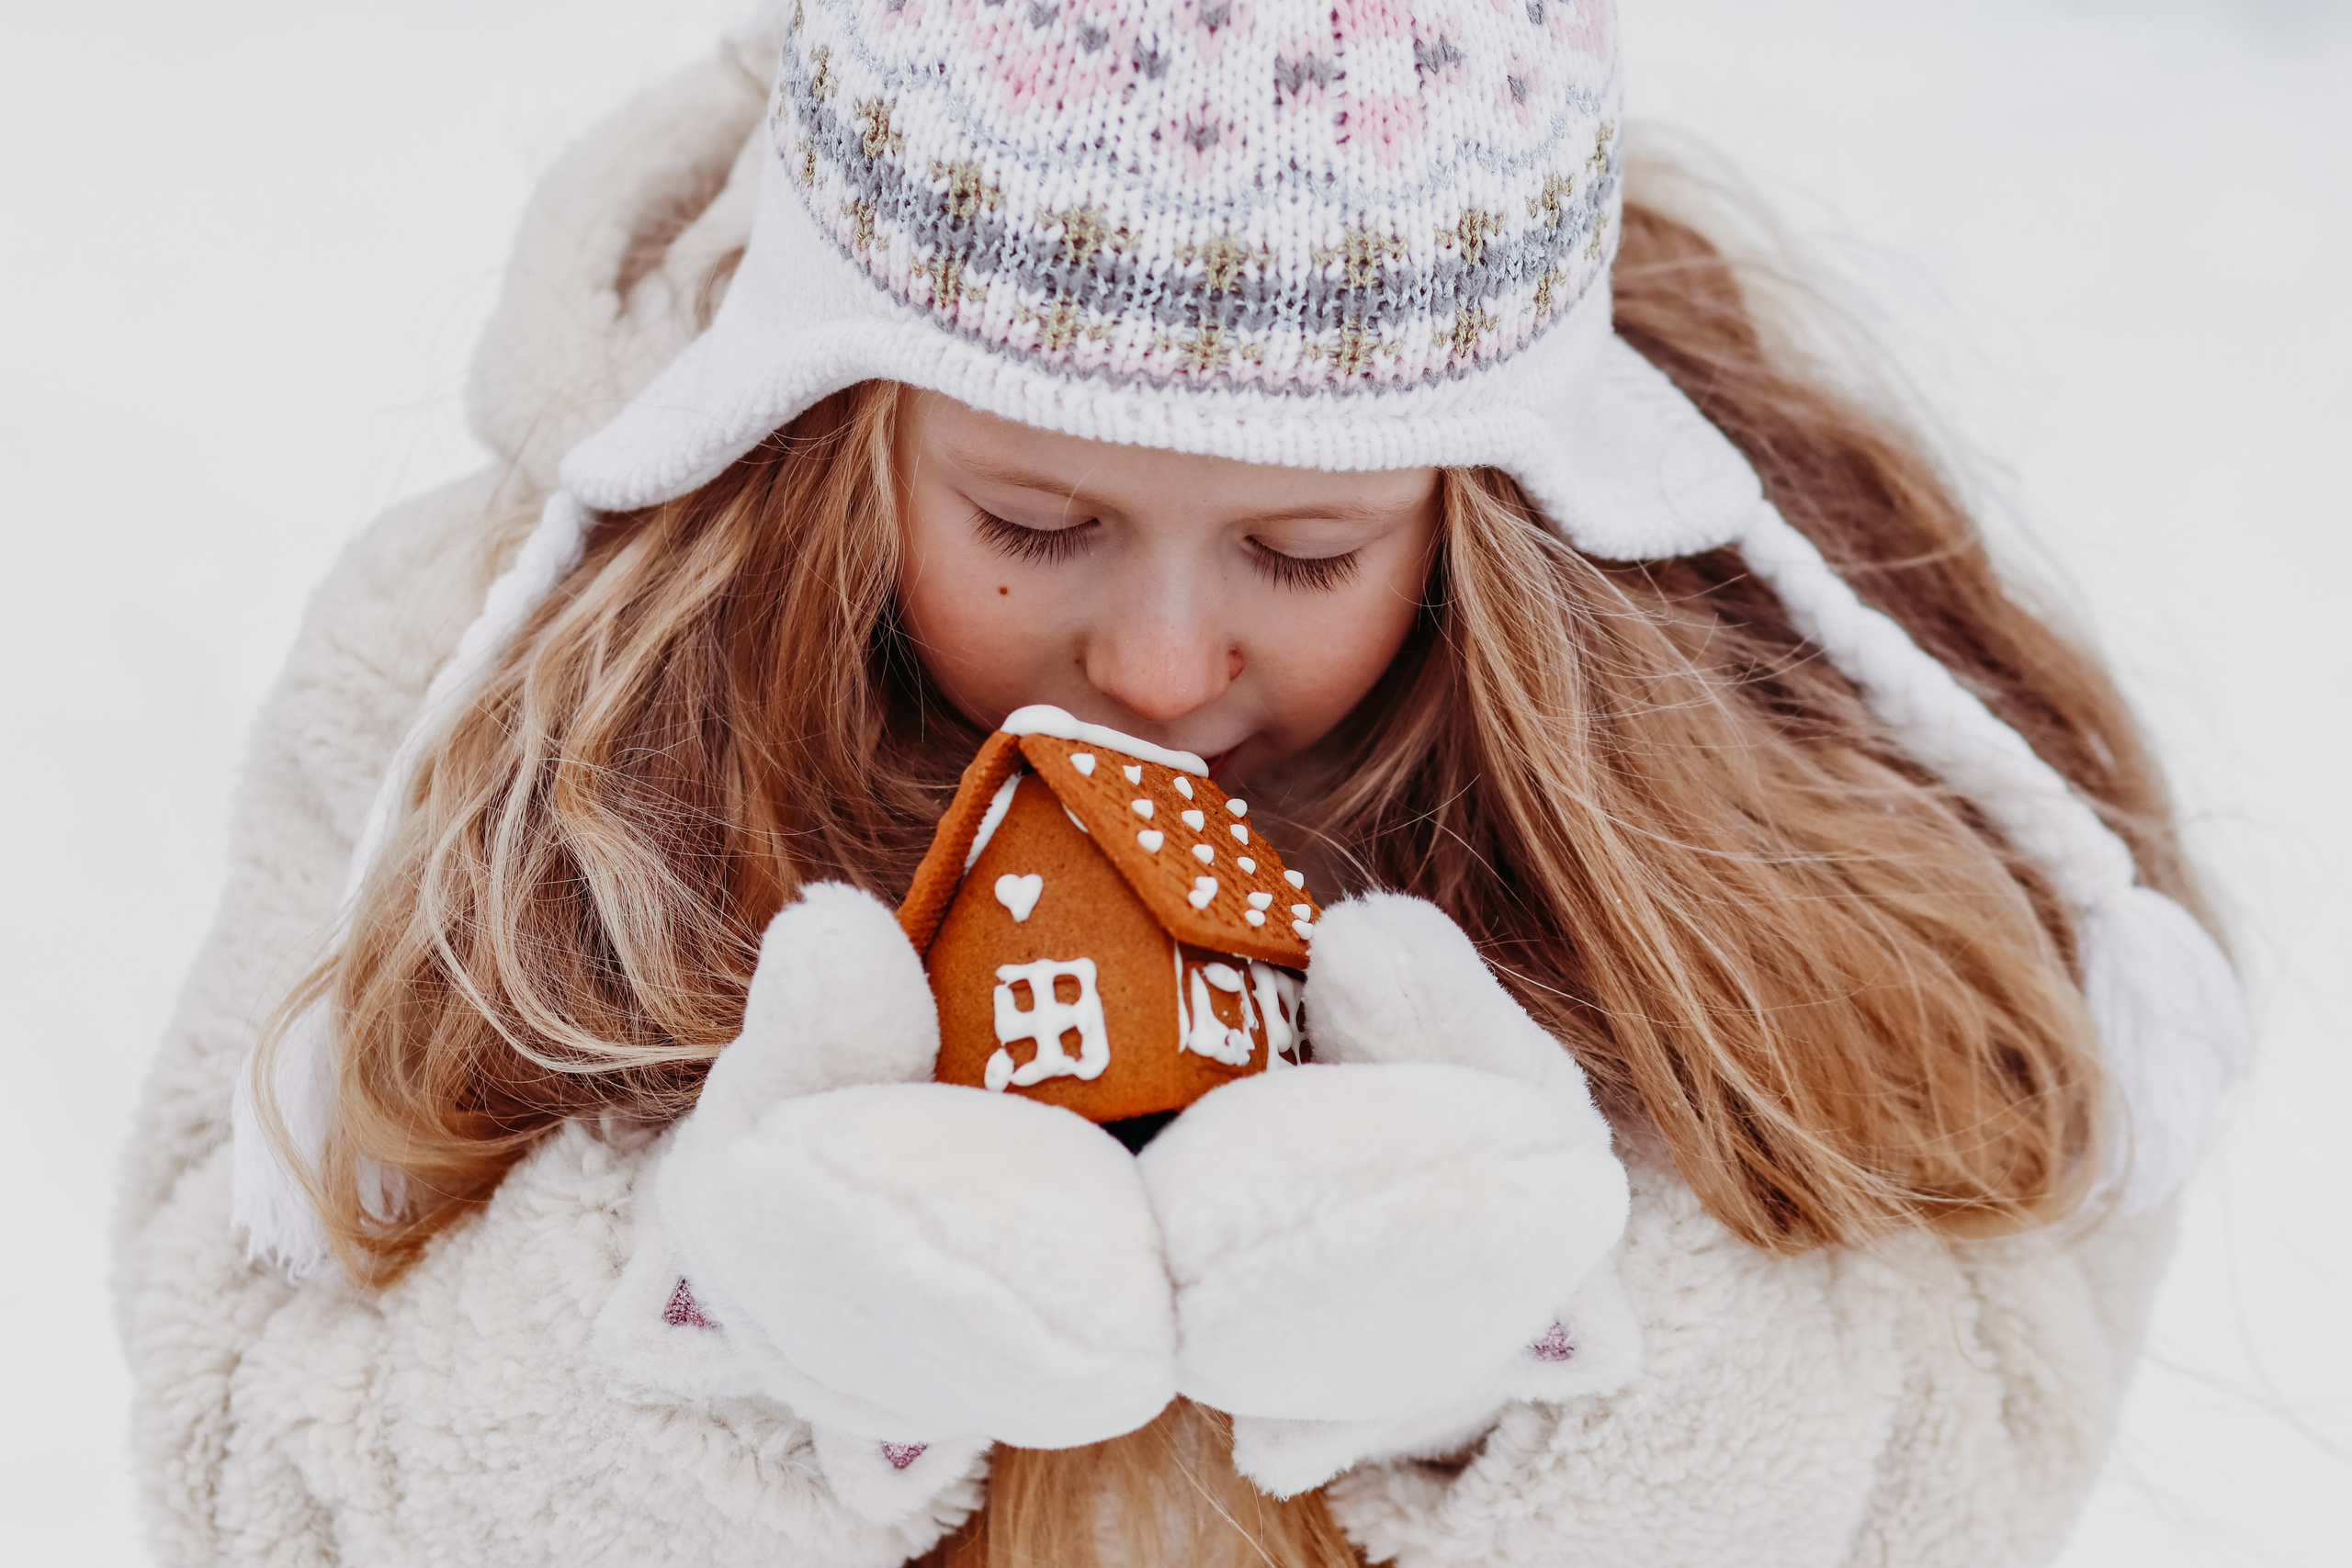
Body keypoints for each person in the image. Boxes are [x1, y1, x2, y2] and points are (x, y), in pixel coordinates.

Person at [115, 4, 2251, 1564]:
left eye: (1302, 553)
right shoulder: (493, 696)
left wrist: (1524, 1357)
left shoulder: (1760, 733)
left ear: (1489, 491)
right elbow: (243, 1455)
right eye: (1029, 526)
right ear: (824, 419)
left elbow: (1980, 1421)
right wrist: (732, 1340)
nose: (1154, 662)